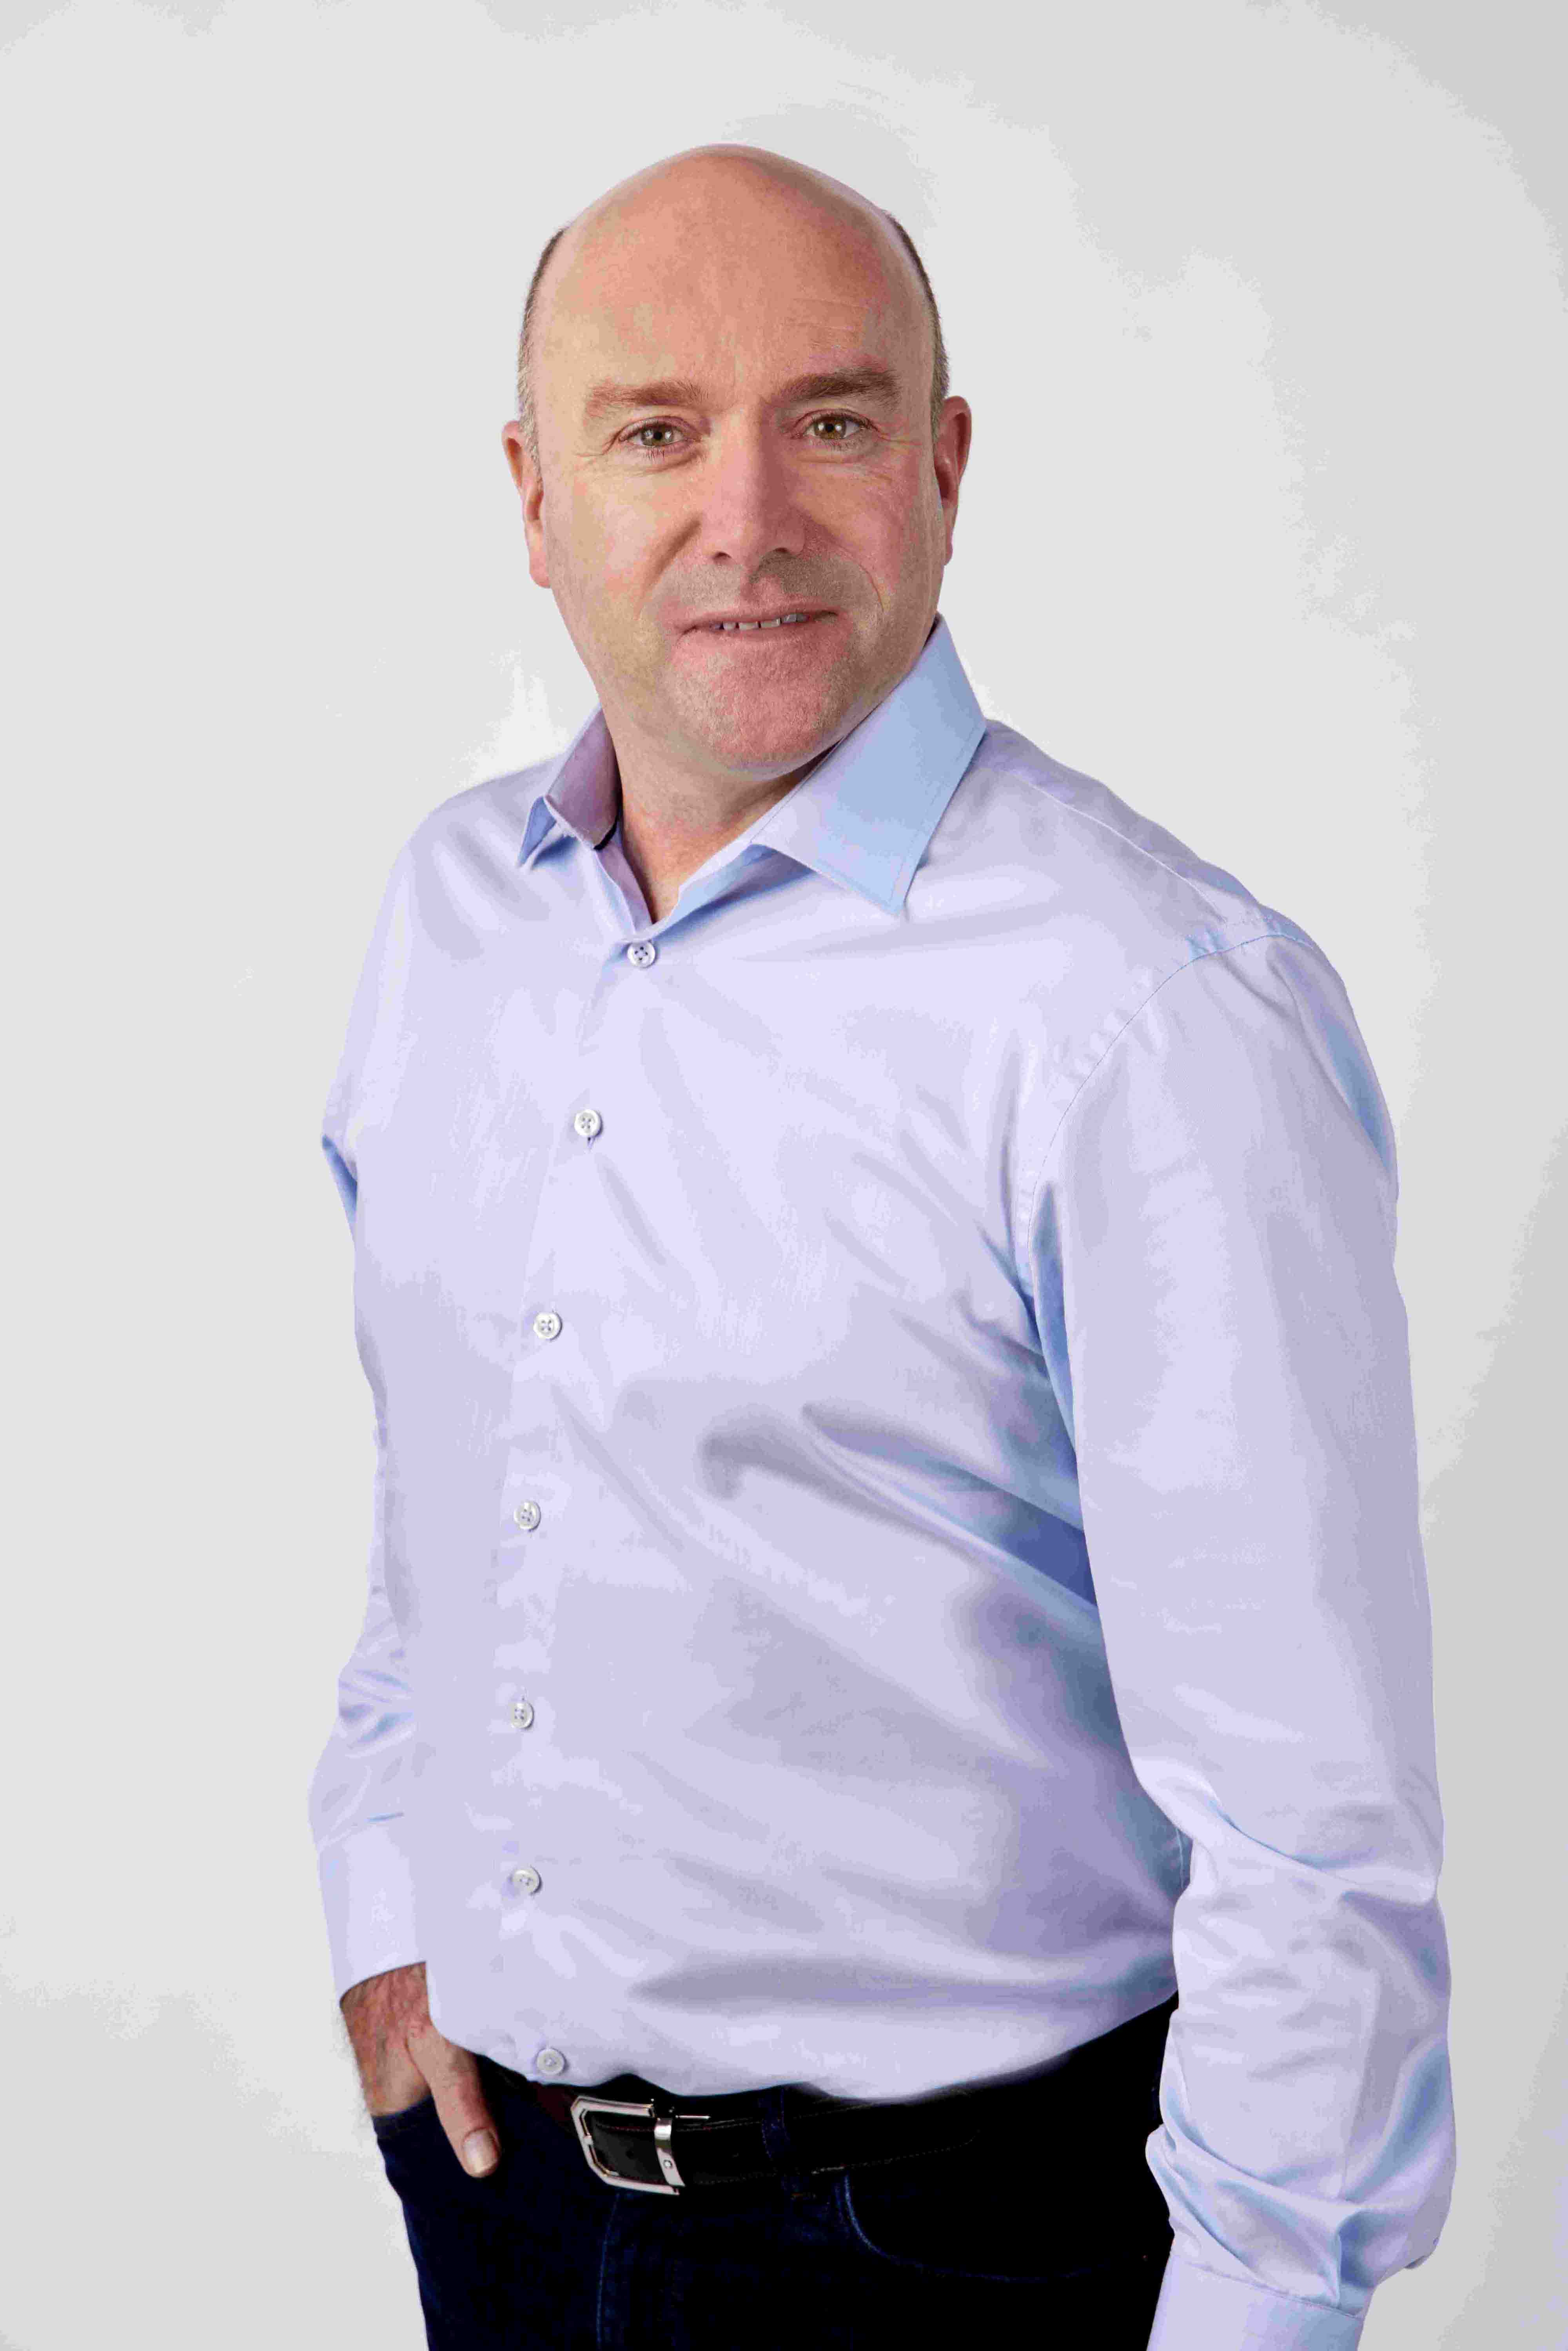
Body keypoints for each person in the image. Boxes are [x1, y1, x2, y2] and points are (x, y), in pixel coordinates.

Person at [308, 143, 1455, 2350]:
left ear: (943, 467)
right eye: (657, 434)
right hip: (503, 2208)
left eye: (828, 421)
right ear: (535, 496)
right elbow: (447, 1492)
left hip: (949, 2260)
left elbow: (1316, 1835)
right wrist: (388, 1895)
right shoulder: (453, 917)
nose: (745, 519)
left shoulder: (1150, 1007)